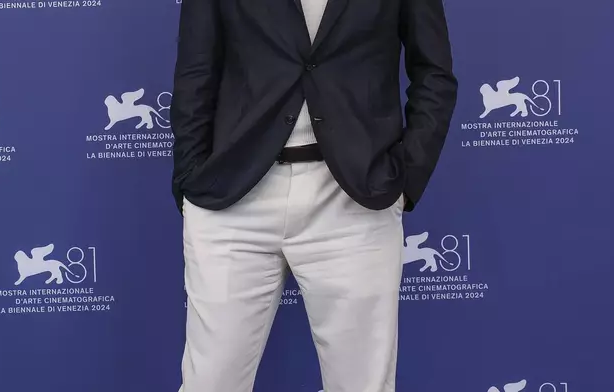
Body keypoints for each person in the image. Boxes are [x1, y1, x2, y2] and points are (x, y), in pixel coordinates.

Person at [170, 0, 457, 391]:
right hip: (232, 195)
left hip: (354, 198)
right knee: (210, 383)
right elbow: (195, 73)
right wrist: (191, 178)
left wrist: (405, 182)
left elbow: (435, 74)